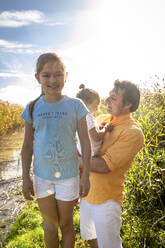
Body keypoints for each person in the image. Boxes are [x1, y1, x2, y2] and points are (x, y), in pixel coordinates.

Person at [21, 52, 91, 248]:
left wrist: (85, 176)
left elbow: (86, 143)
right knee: (49, 226)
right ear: (38, 78)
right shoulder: (32, 108)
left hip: (68, 176)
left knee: (66, 224)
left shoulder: (76, 105)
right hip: (42, 176)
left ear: (66, 76)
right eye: (46, 75)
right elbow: (27, 147)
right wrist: (25, 177)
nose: (53, 80)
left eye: (58, 74)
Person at [80, 80, 144, 248]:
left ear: (128, 104)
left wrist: (71, 159)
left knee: (109, 245)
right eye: (109, 95)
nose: (107, 100)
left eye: (113, 98)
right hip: (86, 193)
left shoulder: (133, 132)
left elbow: (103, 166)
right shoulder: (101, 119)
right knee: (89, 235)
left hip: (106, 200)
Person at [76, 84, 113, 157]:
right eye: (96, 106)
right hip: (89, 156)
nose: (97, 109)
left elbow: (89, 131)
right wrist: (106, 128)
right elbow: (96, 138)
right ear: (85, 105)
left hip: (81, 151)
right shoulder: (88, 118)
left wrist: (98, 127)